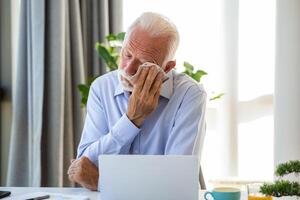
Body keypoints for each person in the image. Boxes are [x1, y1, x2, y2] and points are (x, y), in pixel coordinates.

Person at [67, 12, 207, 190]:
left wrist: (102, 182)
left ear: (167, 67)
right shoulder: (102, 88)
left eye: (144, 63)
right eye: (127, 54)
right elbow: (83, 167)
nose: (128, 68)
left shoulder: (189, 95)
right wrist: (132, 118)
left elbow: (175, 183)